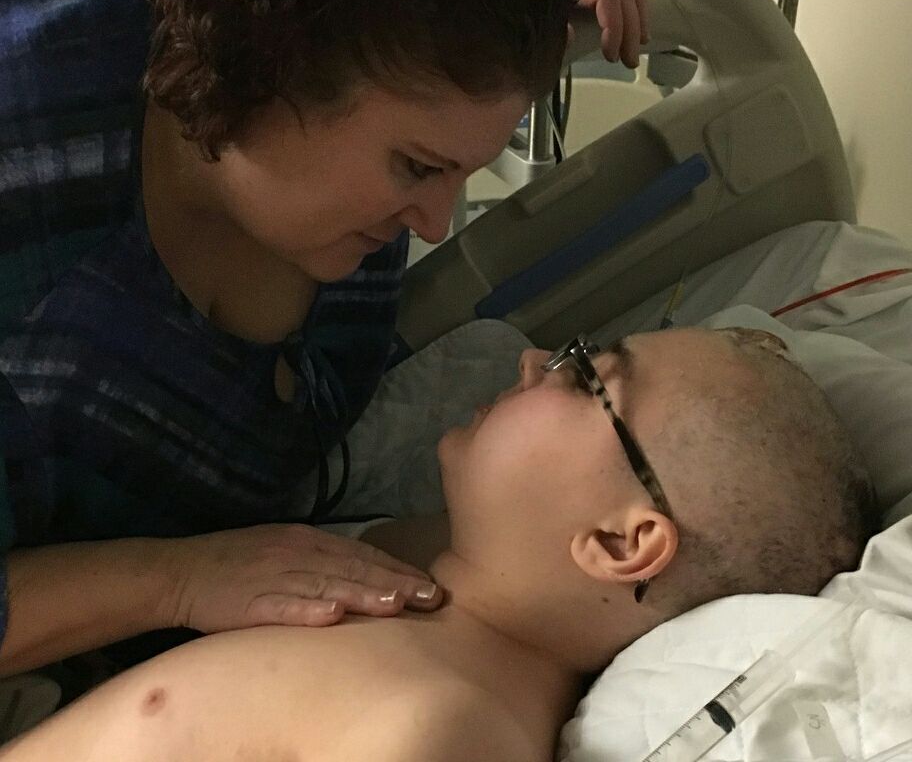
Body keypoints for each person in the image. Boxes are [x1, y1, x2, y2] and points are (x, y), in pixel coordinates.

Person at [0, 0, 650, 678]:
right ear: (268, 66)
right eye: (417, 167)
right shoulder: (41, 219)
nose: (435, 226)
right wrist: (177, 581)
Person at [0, 326, 878, 762]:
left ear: (619, 543)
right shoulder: (420, 584)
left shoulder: (447, 728)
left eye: (585, 375)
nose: (533, 360)